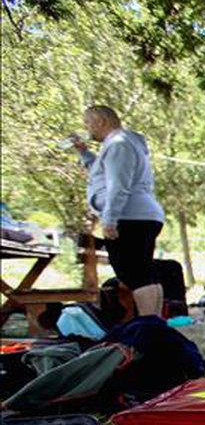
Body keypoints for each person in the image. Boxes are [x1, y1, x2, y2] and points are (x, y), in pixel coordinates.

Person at [73, 105, 164, 316]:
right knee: (143, 271)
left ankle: (150, 325)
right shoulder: (122, 144)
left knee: (133, 273)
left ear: (102, 121)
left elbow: (118, 184)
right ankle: (155, 325)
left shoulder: (118, 144)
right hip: (140, 214)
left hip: (129, 215)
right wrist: (84, 153)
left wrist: (110, 219)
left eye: (88, 123)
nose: (87, 128)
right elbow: (103, 173)